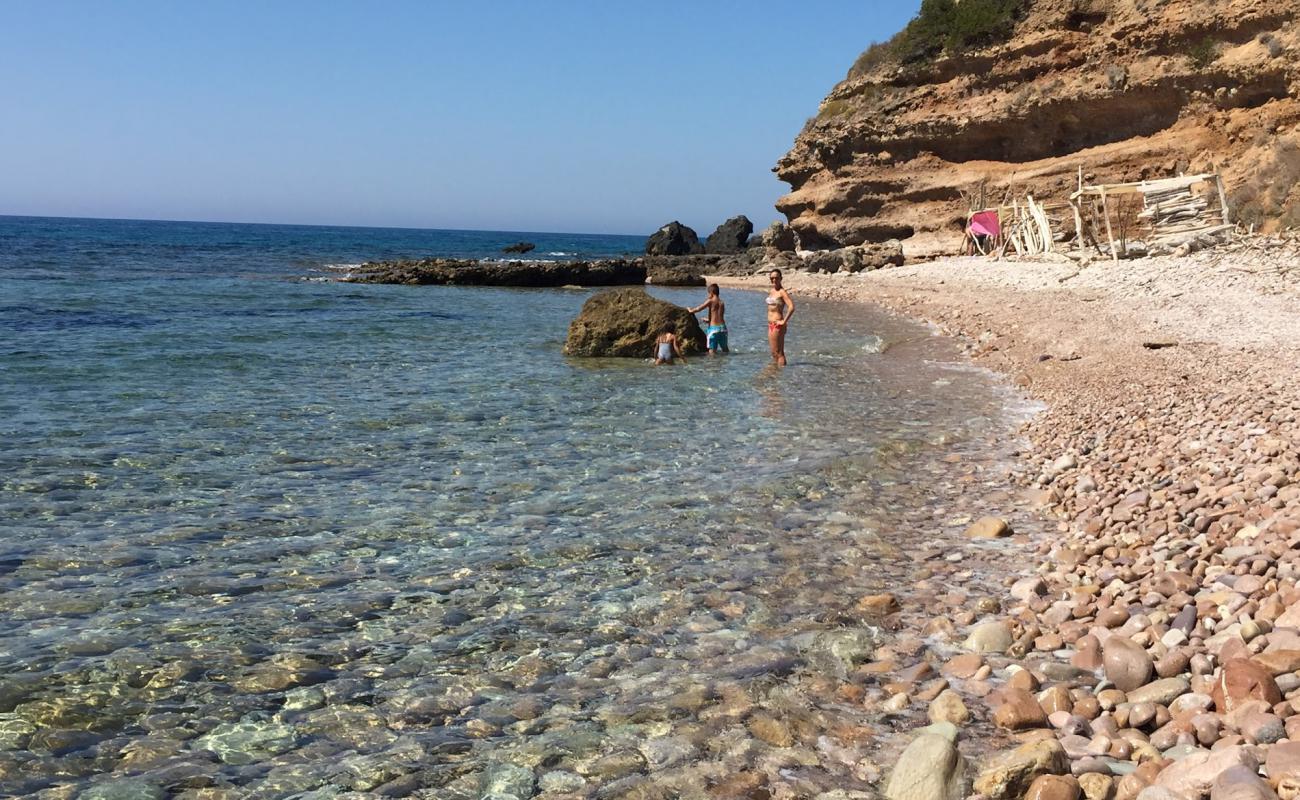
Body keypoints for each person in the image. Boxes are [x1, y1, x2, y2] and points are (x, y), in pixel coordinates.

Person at [687, 284, 728, 355]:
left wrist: (690, 310)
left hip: (713, 329)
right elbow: (719, 316)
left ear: (711, 293)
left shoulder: (710, 301)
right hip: (723, 328)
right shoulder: (722, 303)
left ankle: (711, 364)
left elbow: (699, 308)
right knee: (725, 349)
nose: (708, 295)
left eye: (708, 293)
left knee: (712, 350)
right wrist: (709, 320)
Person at [765, 268, 794, 366]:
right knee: (774, 353)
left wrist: (784, 321)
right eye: (772, 278)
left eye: (776, 278)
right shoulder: (772, 291)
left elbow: (791, 307)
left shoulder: (782, 292)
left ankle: (781, 373)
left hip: (778, 325)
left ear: (781, 278)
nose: (774, 280)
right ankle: (777, 373)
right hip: (771, 324)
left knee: (779, 353)